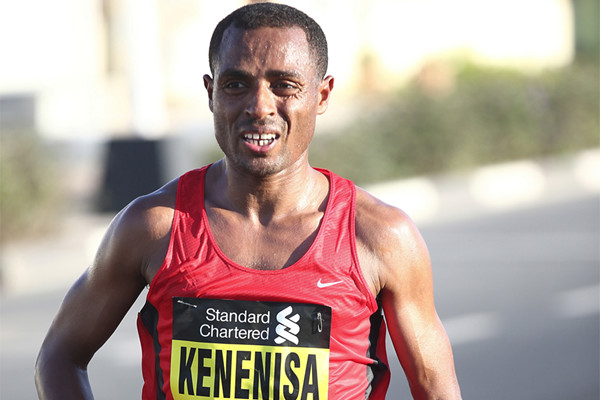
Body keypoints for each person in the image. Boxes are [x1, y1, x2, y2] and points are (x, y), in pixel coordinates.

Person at [35, 3, 461, 399]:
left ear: (322, 95)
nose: (259, 106)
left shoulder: (378, 235)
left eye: (285, 86)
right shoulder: (154, 226)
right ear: (211, 93)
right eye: (236, 84)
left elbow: (437, 389)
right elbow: (59, 356)